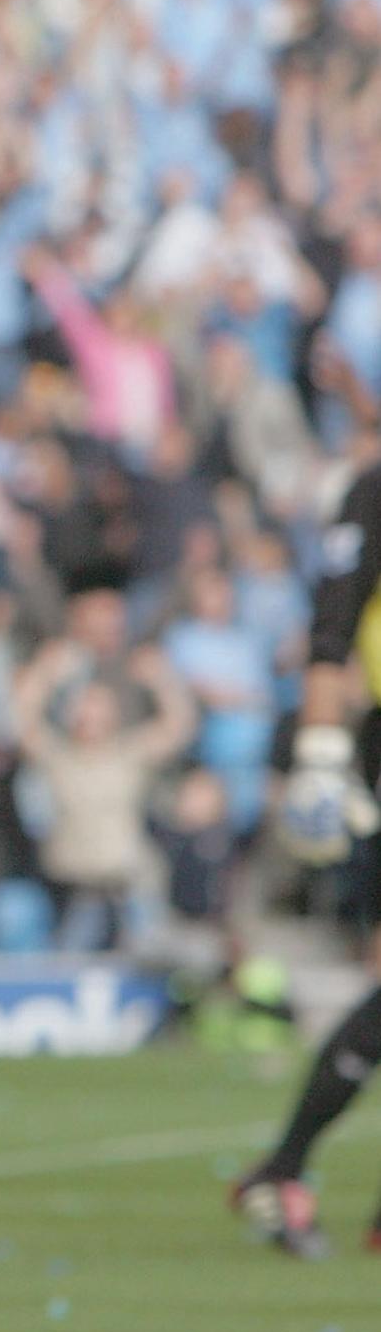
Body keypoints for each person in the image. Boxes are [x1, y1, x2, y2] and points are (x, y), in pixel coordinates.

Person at [232, 462, 381, 1256]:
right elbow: (333, 626)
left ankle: (282, 1168)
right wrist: (321, 756)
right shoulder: (374, 490)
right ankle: (283, 1166)